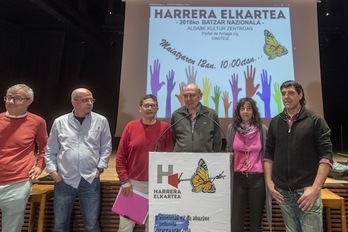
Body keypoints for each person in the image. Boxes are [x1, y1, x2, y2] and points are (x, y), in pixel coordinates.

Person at [264, 80, 333, 232]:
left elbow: (326, 157)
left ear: (300, 95)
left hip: (306, 191)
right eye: (283, 93)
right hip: (283, 192)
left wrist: (315, 189)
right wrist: (269, 182)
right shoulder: (276, 122)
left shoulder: (315, 121)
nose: (286, 97)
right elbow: (268, 154)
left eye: (291, 93)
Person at [45, 88, 112, 232]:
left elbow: (106, 147)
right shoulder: (60, 122)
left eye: (91, 100)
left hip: (90, 179)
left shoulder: (101, 121)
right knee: (60, 225)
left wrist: (100, 169)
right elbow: (50, 150)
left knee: (92, 225)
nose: (89, 103)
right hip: (64, 179)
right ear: (74, 102)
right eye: (85, 100)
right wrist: (52, 172)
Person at [116, 94, 174, 232]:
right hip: (132, 185)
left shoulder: (165, 128)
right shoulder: (131, 126)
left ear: (157, 109)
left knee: (153, 227)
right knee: (125, 228)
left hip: (156, 185)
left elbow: (169, 158)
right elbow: (120, 157)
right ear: (140, 109)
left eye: (152, 105)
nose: (149, 108)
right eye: (146, 105)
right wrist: (124, 180)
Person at [0, 83, 48, 232]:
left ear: (29, 101)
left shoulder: (37, 122)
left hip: (17, 183)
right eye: (9, 97)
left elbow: (45, 147)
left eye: (17, 98)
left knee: (11, 228)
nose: (11, 101)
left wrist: (40, 166)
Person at [226, 98, 270, 232]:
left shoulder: (262, 129)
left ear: (253, 111)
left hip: (257, 179)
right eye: (242, 108)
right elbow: (229, 151)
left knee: (256, 222)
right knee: (236, 221)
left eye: (249, 108)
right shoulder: (231, 129)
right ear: (238, 111)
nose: (246, 111)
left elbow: (267, 155)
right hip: (238, 178)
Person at [171, 83, 222, 152]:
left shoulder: (211, 114)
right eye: (185, 96)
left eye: (192, 95)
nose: (188, 99)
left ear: (200, 96)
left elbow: (217, 142)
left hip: (205, 160)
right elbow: (173, 140)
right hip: (181, 160)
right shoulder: (177, 115)